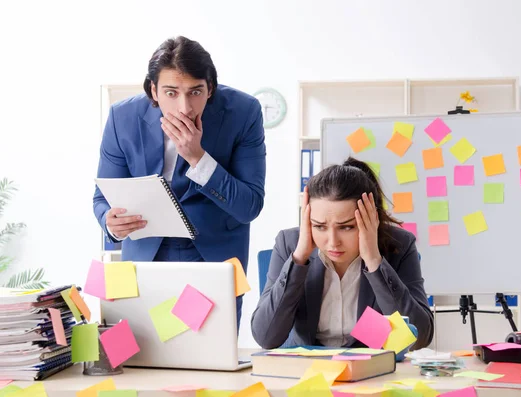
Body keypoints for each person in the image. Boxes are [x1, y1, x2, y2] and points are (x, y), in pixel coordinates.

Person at [93, 36, 266, 326]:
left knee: (210, 359)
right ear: (154, 91)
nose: (184, 106)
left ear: (210, 88)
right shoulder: (122, 117)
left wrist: (198, 158)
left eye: (195, 92)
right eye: (171, 93)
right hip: (145, 257)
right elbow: (102, 199)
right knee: (139, 360)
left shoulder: (244, 112)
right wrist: (111, 224)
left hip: (214, 259)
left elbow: (249, 206)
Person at [251, 157, 433, 352]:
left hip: (373, 370)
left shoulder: (399, 245)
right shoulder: (289, 244)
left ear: (371, 217)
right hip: (308, 371)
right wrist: (299, 258)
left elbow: (420, 337)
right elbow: (266, 337)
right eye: (319, 226)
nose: (332, 241)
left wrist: (374, 261)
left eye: (346, 227)